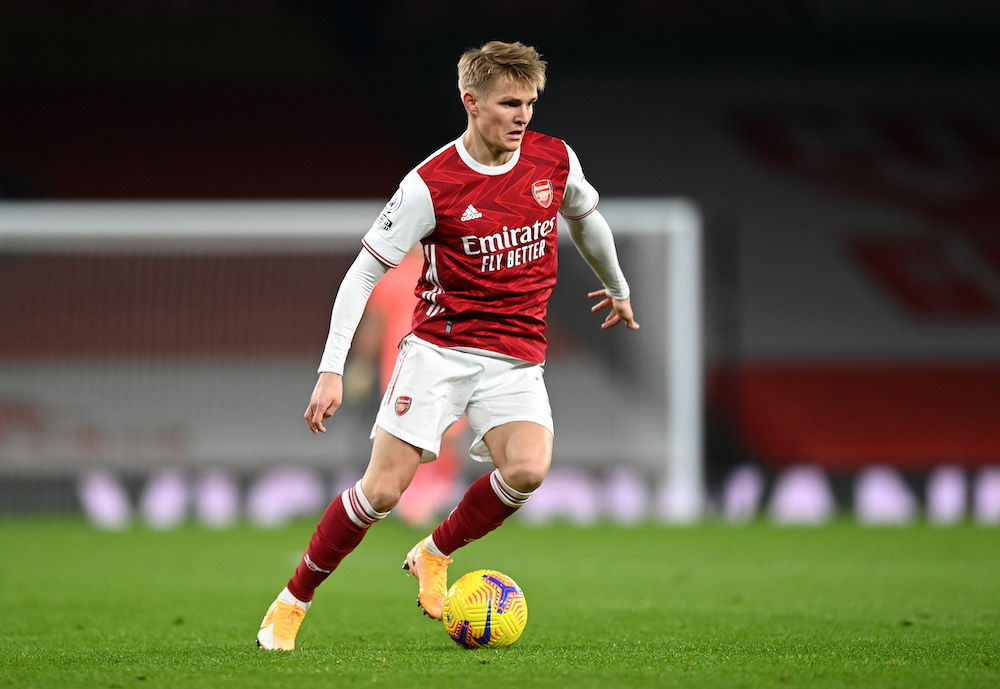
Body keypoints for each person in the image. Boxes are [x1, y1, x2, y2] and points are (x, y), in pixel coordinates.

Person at [257, 40, 639, 651]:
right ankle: (292, 600)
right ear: (471, 101)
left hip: (517, 354)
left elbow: (585, 216)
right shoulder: (430, 185)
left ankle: (433, 553)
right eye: (509, 103)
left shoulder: (552, 160)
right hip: (441, 351)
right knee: (381, 492)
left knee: (528, 469)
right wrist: (332, 370)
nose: (523, 116)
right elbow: (362, 274)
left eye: (531, 103)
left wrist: (616, 286)